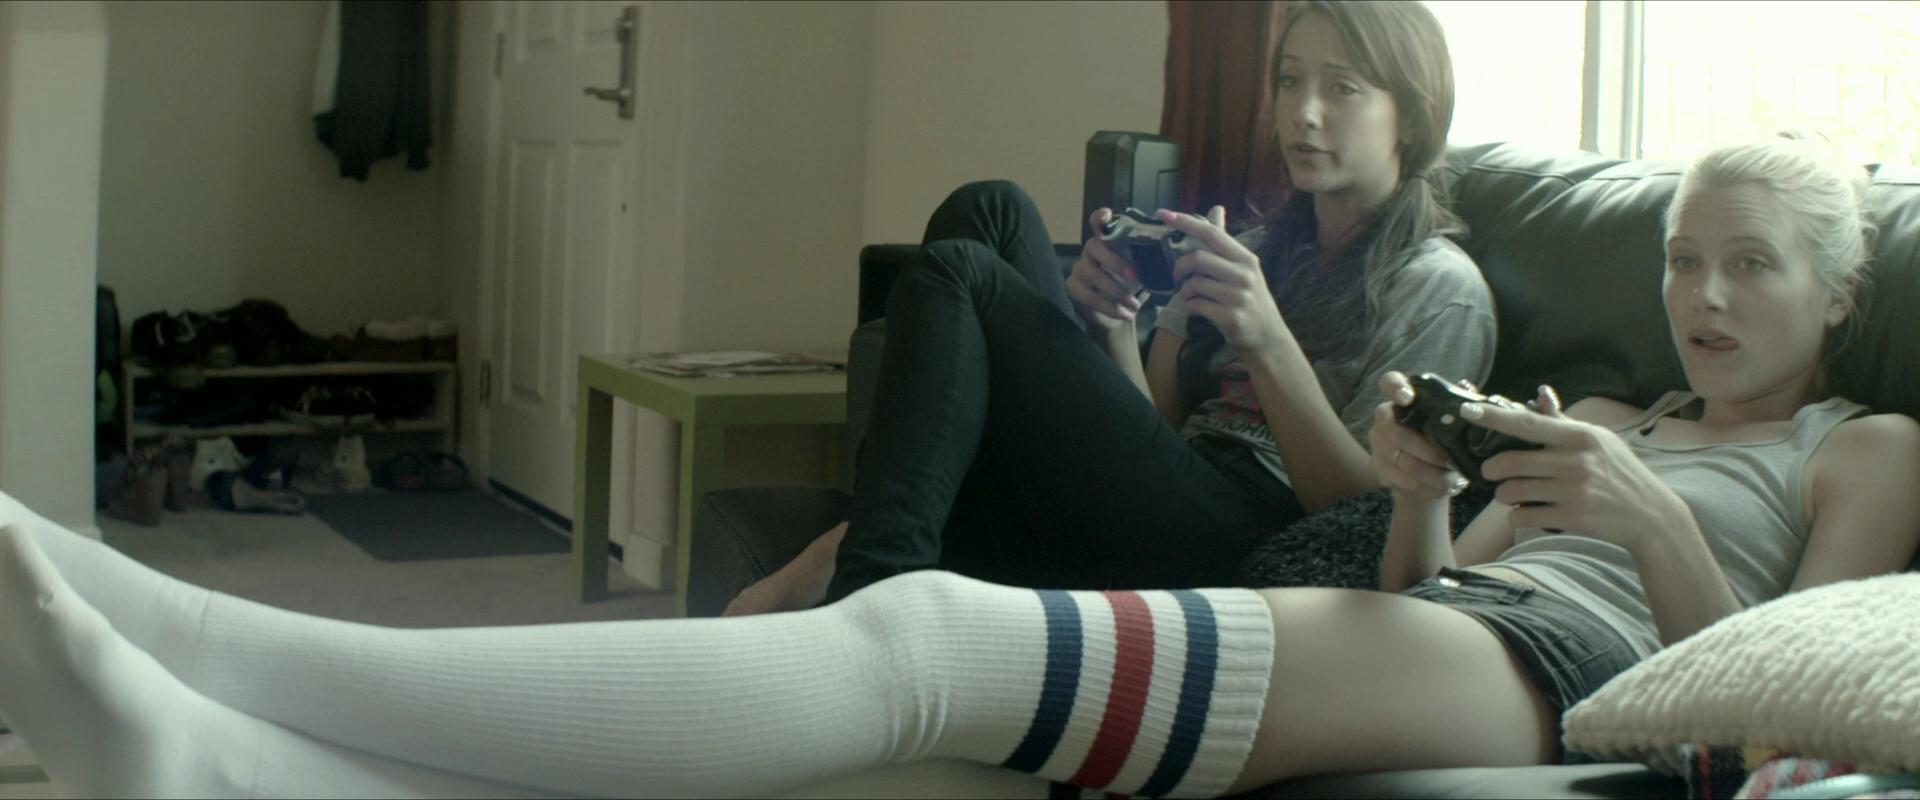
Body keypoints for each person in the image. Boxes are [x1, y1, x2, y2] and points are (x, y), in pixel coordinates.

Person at [1, 134, 1914, 799]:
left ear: (1839, 297)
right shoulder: (1616, 417)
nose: (1701, 295)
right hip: (1452, 628)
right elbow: (1416, 587)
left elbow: (1785, 689)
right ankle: (258, 759)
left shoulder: (1865, 443)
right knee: (896, 744)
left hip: (1577, 672)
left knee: (922, 645)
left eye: (1751, 267)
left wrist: (1641, 517)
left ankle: (222, 660)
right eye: (1686, 260)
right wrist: (1427, 493)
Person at [726, 0, 1497, 615]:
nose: (1304, 113)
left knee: (961, 274)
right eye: (1290, 81)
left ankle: (870, 585)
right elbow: (1154, 427)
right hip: (1172, 488)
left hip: (1248, 533)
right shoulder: (1254, 247)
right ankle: (871, 539)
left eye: (1343, 88)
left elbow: (1362, 516)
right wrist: (1115, 326)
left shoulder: (1438, 286)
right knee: (989, 209)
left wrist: (1267, 340)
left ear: (1413, 112)